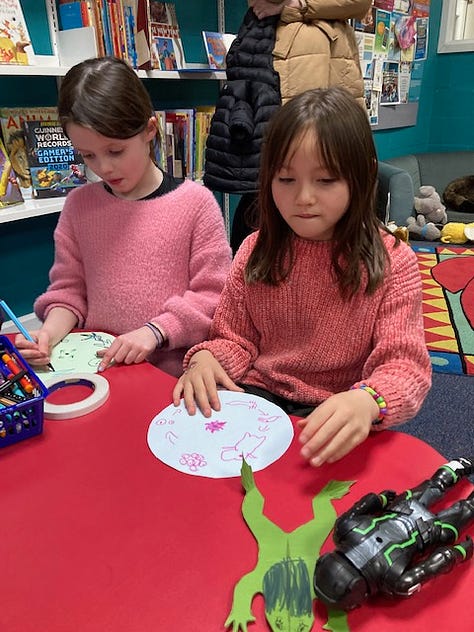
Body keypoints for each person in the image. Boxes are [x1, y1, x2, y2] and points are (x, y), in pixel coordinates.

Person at [173, 87, 432, 465]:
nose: (303, 197)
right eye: (286, 179)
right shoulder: (254, 249)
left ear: (363, 177)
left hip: (338, 410)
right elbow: (235, 339)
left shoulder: (394, 261)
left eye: (325, 180)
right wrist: (208, 359)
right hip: (259, 398)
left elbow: (404, 365)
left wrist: (368, 400)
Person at [14, 56, 232, 378]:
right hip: (99, 372)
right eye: (88, 155)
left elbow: (212, 296)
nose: (103, 168)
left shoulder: (195, 204)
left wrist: (154, 331)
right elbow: (69, 291)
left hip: (168, 377)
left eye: (115, 151)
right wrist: (48, 334)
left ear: (149, 131)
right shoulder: (79, 206)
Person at [203, 0, 372, 253]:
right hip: (268, 62)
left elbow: (360, 3)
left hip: (318, 68)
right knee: (264, 196)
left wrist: (300, 5)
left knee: (328, 185)